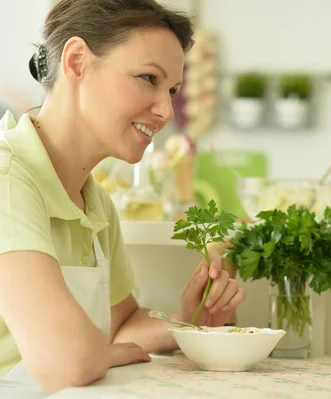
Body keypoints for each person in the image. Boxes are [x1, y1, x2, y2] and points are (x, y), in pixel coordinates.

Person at [0, 0, 245, 394]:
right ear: (77, 62)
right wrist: (104, 353)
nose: (166, 110)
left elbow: (122, 325)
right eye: (148, 78)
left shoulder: (94, 203)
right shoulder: (6, 181)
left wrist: (189, 320)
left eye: (173, 90)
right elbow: (66, 361)